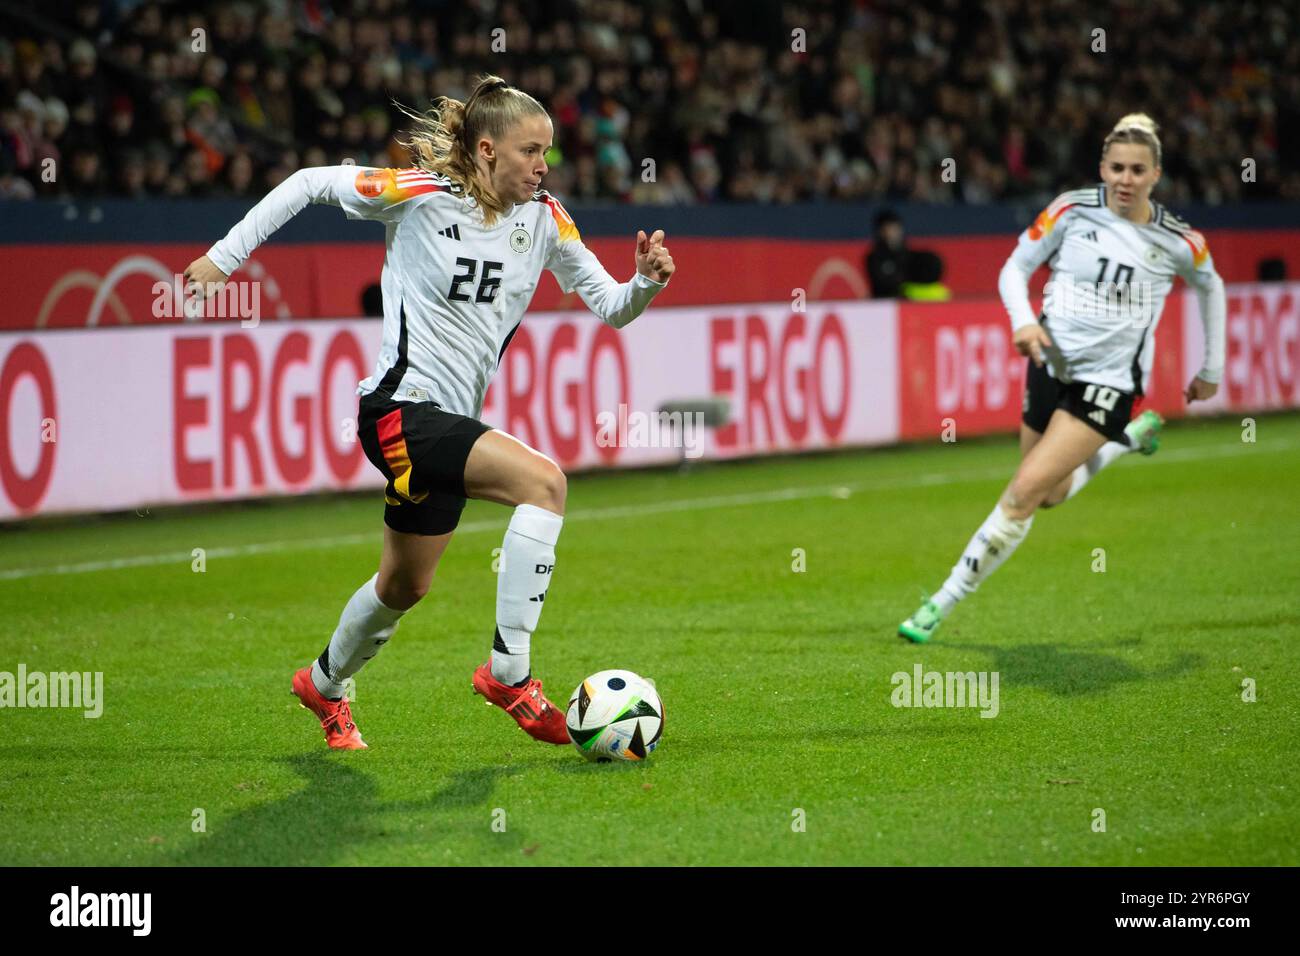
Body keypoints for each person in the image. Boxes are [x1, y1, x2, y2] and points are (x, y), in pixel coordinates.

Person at [183, 75, 675, 748]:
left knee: (404, 584)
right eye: (531, 151)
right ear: (485, 149)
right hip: (397, 411)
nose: (543, 165)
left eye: (549, 153)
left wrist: (644, 281)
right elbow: (305, 182)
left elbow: (612, 309)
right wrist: (223, 258)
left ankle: (323, 686)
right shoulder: (417, 197)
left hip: (444, 426)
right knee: (545, 483)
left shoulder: (547, 220)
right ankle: (511, 675)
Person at [898, 113, 1224, 643]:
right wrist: (1023, 320)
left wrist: (1212, 368)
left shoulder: (1177, 241)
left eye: (1137, 170)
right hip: (1050, 364)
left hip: (1109, 384)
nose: (1125, 179)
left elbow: (1213, 288)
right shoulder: (1071, 209)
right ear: (1101, 167)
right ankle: (1125, 443)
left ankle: (939, 603)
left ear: (1156, 175)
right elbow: (1014, 268)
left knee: (1022, 494)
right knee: (1046, 495)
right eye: (1116, 167)